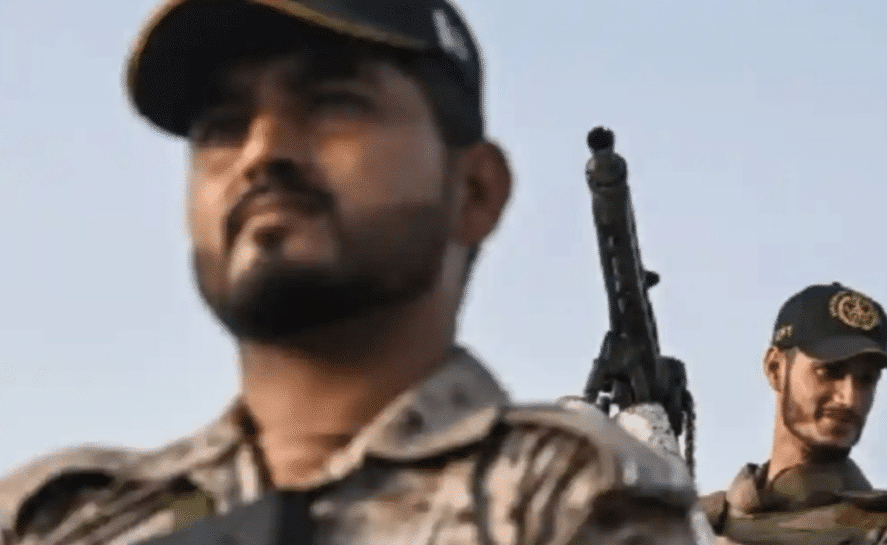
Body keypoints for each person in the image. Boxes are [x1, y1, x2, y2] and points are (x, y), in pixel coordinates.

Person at [0, 1, 715, 544]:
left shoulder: (572, 502)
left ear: (474, 190)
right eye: (222, 125)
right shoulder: (64, 519)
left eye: (333, 103)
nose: (262, 151)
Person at [700, 282, 887, 545]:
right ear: (775, 369)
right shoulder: (700, 518)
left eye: (866, 380)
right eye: (830, 372)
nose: (850, 399)